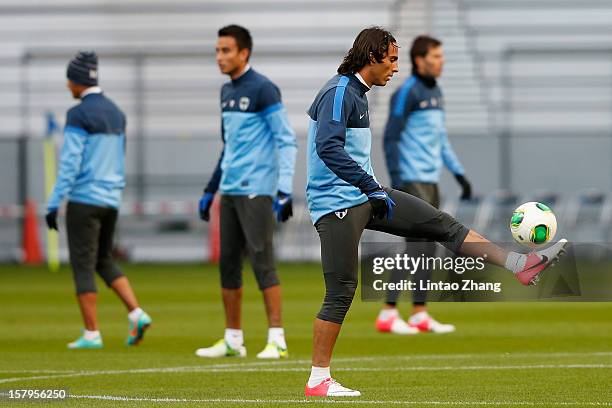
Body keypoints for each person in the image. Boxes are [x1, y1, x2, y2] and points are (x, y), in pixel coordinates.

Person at [304, 26, 567, 397]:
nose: (396, 68)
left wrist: (372, 187)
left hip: (366, 195)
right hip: (337, 205)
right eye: (392, 59)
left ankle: (520, 266)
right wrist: (370, 186)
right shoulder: (339, 92)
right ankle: (318, 380)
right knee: (342, 289)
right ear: (372, 56)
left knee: (443, 226)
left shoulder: (359, 94)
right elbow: (328, 148)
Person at [196, 25, 297, 360]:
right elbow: (230, 148)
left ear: (244, 53)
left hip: (257, 190)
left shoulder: (264, 89)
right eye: (217, 50)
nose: (219, 57)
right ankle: (233, 339)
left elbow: (285, 139)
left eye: (226, 50)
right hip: (231, 190)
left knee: (262, 262)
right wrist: (211, 190)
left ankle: (277, 339)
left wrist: (283, 188)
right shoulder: (226, 92)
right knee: (227, 264)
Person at [45, 51, 152, 349]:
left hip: (84, 200)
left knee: (82, 264)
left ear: (78, 80)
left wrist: (53, 203)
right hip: (111, 201)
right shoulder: (117, 112)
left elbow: (70, 163)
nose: (68, 85)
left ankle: (91, 333)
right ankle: (137, 312)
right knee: (104, 260)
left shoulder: (78, 114)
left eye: (69, 79)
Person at [376, 35, 472, 335]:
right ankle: (389, 312)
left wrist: (458, 173)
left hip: (431, 181)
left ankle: (418, 313)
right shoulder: (407, 92)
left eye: (441, 56)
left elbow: (440, 139)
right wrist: (397, 179)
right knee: (416, 245)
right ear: (419, 60)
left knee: (427, 246)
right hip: (411, 179)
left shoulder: (437, 92)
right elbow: (390, 136)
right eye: (435, 56)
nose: (440, 62)